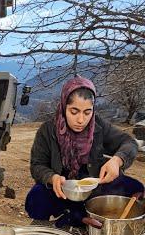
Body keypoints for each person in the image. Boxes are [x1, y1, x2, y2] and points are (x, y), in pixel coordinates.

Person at [25, 76, 143, 227]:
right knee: (37, 197)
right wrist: (51, 177)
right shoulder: (47, 131)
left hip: (92, 187)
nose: (81, 120)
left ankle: (84, 215)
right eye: (74, 111)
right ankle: (73, 216)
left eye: (87, 112)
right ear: (63, 106)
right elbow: (37, 165)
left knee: (135, 188)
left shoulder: (98, 126)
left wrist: (117, 160)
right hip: (63, 190)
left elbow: (129, 142)